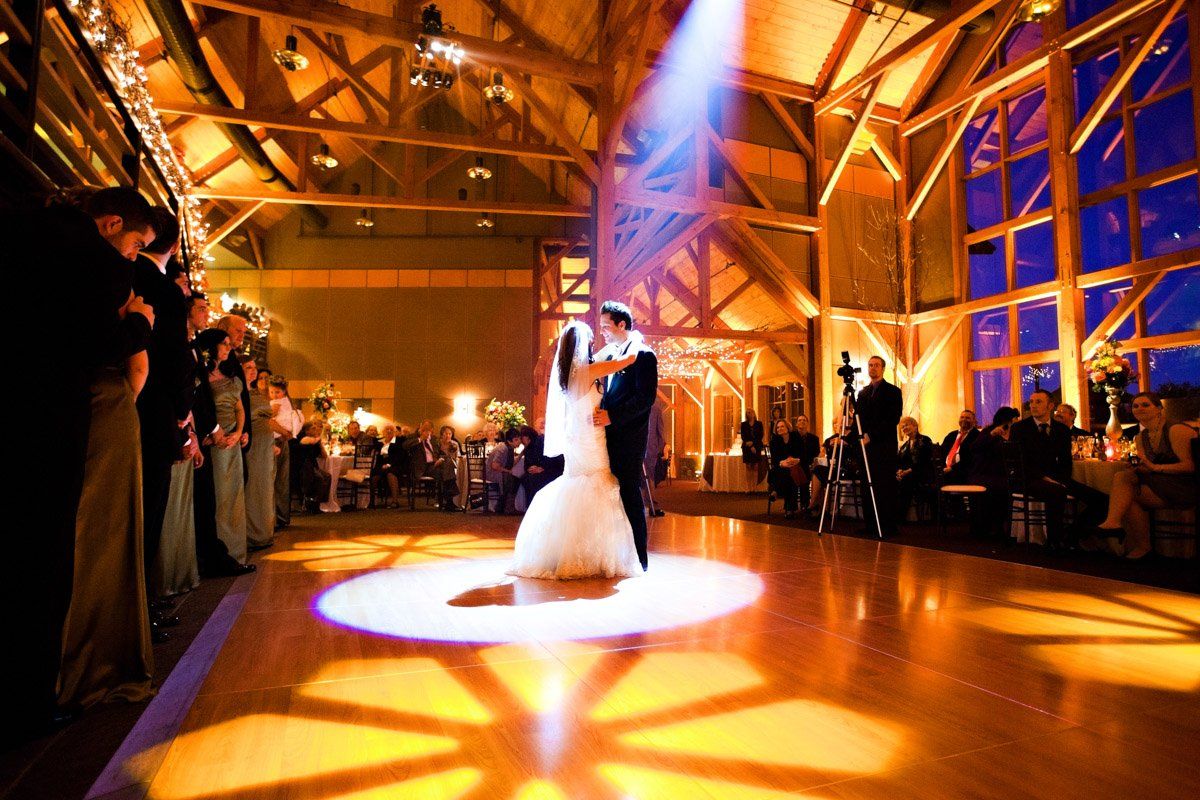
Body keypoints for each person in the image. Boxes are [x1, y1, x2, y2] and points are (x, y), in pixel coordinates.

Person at [509, 320, 642, 578]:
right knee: (597, 485)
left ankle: (576, 551)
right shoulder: (587, 371)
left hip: (579, 437)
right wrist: (633, 338)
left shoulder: (569, 373)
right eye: (591, 339)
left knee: (580, 486)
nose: (594, 342)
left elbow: (606, 356)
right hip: (590, 439)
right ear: (583, 344)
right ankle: (593, 554)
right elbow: (626, 360)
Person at [594, 300, 659, 570]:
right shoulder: (609, 355)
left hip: (630, 439)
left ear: (622, 325)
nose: (603, 332)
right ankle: (616, 554)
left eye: (606, 326)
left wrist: (612, 416)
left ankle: (639, 559)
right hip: (607, 438)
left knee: (630, 494)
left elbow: (645, 398)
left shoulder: (644, 355)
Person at [1092, 392, 1197, 559]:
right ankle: (1137, 542)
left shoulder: (1176, 430)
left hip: (1184, 486)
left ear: (1159, 409)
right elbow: (1149, 470)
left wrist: (1154, 467)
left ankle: (1115, 525)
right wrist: (1140, 468)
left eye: (1145, 404)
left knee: (1125, 488)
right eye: (1135, 406)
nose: (1139, 408)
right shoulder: (1140, 437)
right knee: (1125, 482)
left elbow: (1190, 467)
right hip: (1160, 485)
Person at [1009, 389, 1108, 552]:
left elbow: (1065, 461)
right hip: (1029, 477)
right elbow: (1017, 462)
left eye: (1038, 402)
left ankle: (1072, 534)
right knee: (1056, 492)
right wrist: (1043, 477)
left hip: (1057, 477)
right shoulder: (1020, 428)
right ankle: (1054, 542)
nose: (1033, 405)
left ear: (1050, 406)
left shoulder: (1061, 429)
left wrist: (1061, 479)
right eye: (1031, 402)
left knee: (1101, 500)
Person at [202, 331, 248, 562]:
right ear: (212, 346)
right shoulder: (201, 375)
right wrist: (213, 434)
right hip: (213, 440)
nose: (229, 348)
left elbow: (240, 409)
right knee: (218, 496)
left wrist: (238, 433)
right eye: (224, 344)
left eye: (230, 344)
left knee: (234, 495)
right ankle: (219, 551)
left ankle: (236, 550)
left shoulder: (232, 378)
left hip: (232, 440)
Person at [856, 356, 903, 536]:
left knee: (884, 486)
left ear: (883, 369)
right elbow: (859, 419)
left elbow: (892, 419)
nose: (873, 368)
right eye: (870, 365)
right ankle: (870, 524)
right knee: (867, 486)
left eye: (876, 365)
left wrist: (871, 436)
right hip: (866, 447)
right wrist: (859, 437)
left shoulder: (893, 391)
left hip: (883, 446)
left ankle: (887, 525)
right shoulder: (863, 393)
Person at [966, 407, 1021, 538]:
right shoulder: (989, 432)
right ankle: (993, 526)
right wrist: (992, 435)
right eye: (1013, 420)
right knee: (998, 487)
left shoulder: (1016, 433)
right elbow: (974, 448)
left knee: (1007, 485)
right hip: (984, 472)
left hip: (1005, 473)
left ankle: (1004, 526)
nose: (1016, 423)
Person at [240, 357, 275, 550]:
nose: (253, 371)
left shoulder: (257, 393)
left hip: (265, 445)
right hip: (251, 445)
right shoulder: (239, 392)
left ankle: (264, 532)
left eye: (254, 368)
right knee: (252, 486)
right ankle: (251, 534)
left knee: (264, 487)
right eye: (248, 368)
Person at [267, 377, 302, 527]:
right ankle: (282, 517)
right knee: (282, 480)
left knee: (276, 479)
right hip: (284, 438)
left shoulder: (276, 403)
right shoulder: (288, 402)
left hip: (277, 439)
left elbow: (268, 418)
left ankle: (275, 518)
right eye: (272, 392)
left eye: (277, 392)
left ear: (283, 392)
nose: (274, 395)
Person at [897, 416, 934, 521]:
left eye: (907, 425)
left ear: (915, 426)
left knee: (906, 481)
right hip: (908, 474)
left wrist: (907, 471)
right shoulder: (904, 446)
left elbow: (924, 461)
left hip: (922, 473)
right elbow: (900, 462)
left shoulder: (925, 440)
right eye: (902, 427)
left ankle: (900, 517)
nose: (904, 428)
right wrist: (899, 471)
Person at [768, 419, 805, 517]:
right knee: (788, 475)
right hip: (780, 467)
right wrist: (782, 463)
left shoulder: (795, 436)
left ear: (787, 427)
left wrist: (796, 460)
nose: (779, 429)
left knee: (790, 473)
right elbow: (775, 459)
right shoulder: (774, 440)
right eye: (778, 427)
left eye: (782, 426)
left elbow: (802, 452)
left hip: (795, 465)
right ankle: (789, 508)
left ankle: (776, 490)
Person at [940, 410, 980, 485]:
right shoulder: (951, 435)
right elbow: (941, 452)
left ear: (974, 421)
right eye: (962, 417)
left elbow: (972, 458)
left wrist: (952, 468)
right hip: (945, 471)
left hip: (964, 473)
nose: (964, 419)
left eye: (967, 418)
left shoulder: (977, 436)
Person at [643, 399, 667, 515]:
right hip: (635, 448)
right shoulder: (632, 406)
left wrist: (659, 449)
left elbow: (660, 432)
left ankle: (651, 505)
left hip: (650, 450)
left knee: (649, 476)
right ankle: (643, 504)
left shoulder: (656, 410)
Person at [434, 425, 462, 512]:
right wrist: (439, 459)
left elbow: (458, 457)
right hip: (438, 466)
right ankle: (450, 502)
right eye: (446, 433)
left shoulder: (454, 444)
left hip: (451, 467)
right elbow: (434, 457)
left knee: (449, 462)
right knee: (447, 462)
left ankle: (448, 502)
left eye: (450, 434)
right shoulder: (437, 443)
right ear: (442, 434)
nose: (448, 436)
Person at [739, 409, 765, 490]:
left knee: (755, 466)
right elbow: (743, 436)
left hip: (757, 446)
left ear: (754, 413)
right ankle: (748, 487)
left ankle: (754, 487)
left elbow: (760, 435)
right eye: (748, 413)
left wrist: (753, 444)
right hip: (746, 447)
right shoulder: (743, 424)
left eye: (751, 412)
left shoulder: (759, 424)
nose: (749, 414)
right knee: (748, 466)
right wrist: (749, 445)